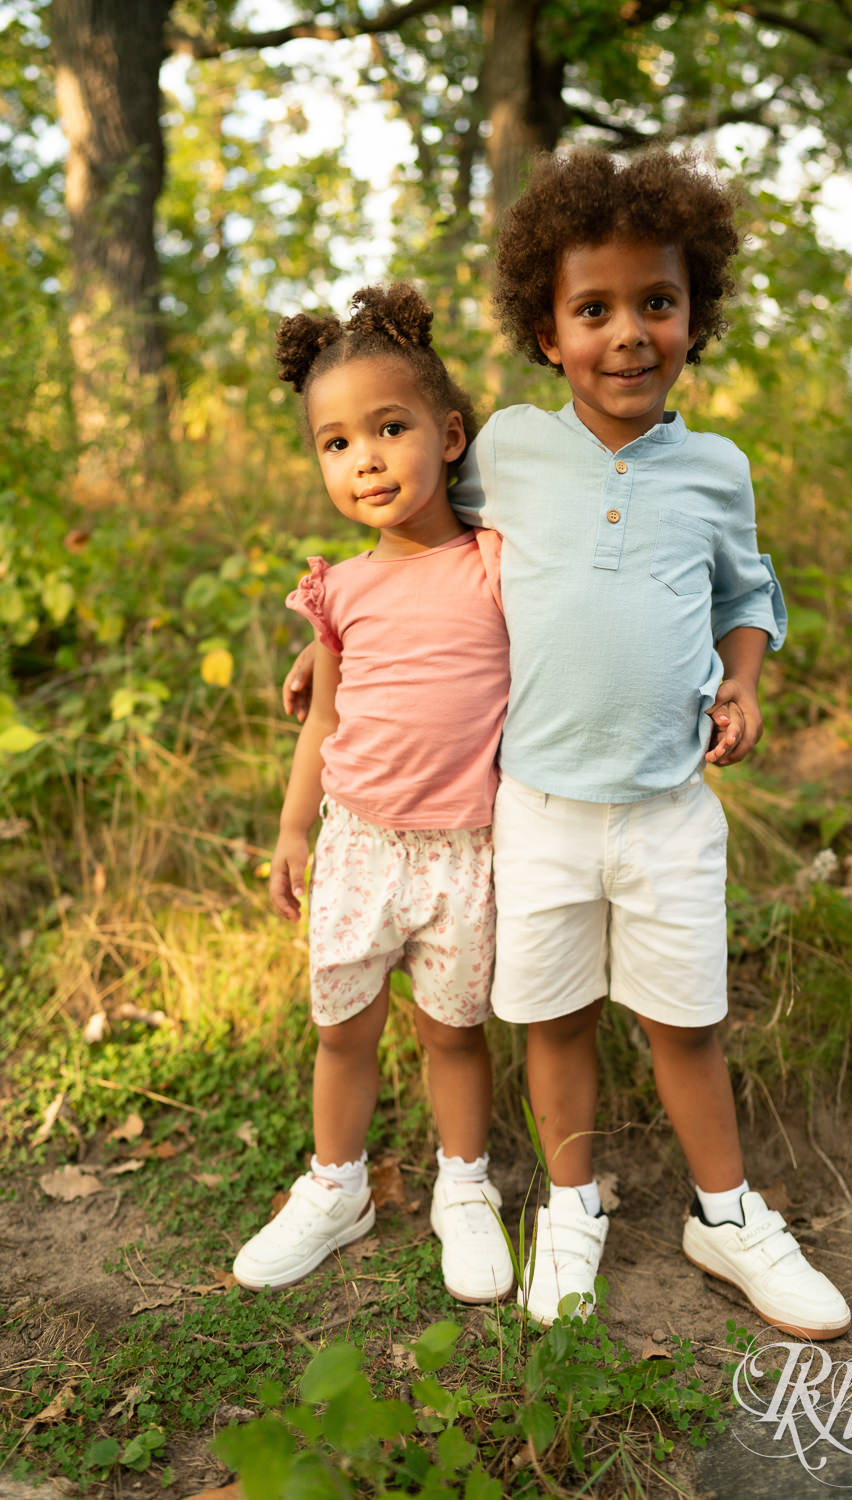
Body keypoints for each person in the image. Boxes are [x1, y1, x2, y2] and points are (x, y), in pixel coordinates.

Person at [285, 150, 851, 1341]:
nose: (628, 334)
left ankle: (726, 1213)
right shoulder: (513, 455)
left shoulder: (716, 470)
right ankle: (573, 1203)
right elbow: (422, 544)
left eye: (657, 303)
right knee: (553, 1018)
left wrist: (741, 680)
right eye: (591, 310)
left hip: (665, 807)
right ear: (545, 332)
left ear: (695, 314)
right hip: (532, 807)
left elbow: (748, 597)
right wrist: (336, 647)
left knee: (684, 1020)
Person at [233, 283, 513, 1306]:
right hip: (356, 843)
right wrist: (291, 828)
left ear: (448, 436)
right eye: (335, 442)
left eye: (389, 429)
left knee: (451, 1031)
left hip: (462, 850)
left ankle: (463, 1186)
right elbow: (322, 721)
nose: (364, 459)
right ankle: (336, 1184)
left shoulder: (493, 565)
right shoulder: (338, 591)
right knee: (343, 1028)